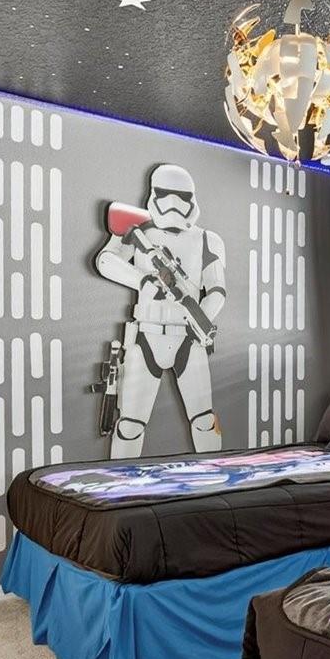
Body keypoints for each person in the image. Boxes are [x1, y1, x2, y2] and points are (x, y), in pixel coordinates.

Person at [94, 164, 226, 457]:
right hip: (147, 335)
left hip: (188, 338)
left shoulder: (206, 239)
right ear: (154, 194)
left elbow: (217, 290)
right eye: (166, 194)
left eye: (182, 196)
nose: (173, 204)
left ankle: (214, 476)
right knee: (130, 425)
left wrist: (200, 318)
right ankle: (120, 481)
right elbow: (106, 260)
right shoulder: (139, 231)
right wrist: (142, 280)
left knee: (204, 421)